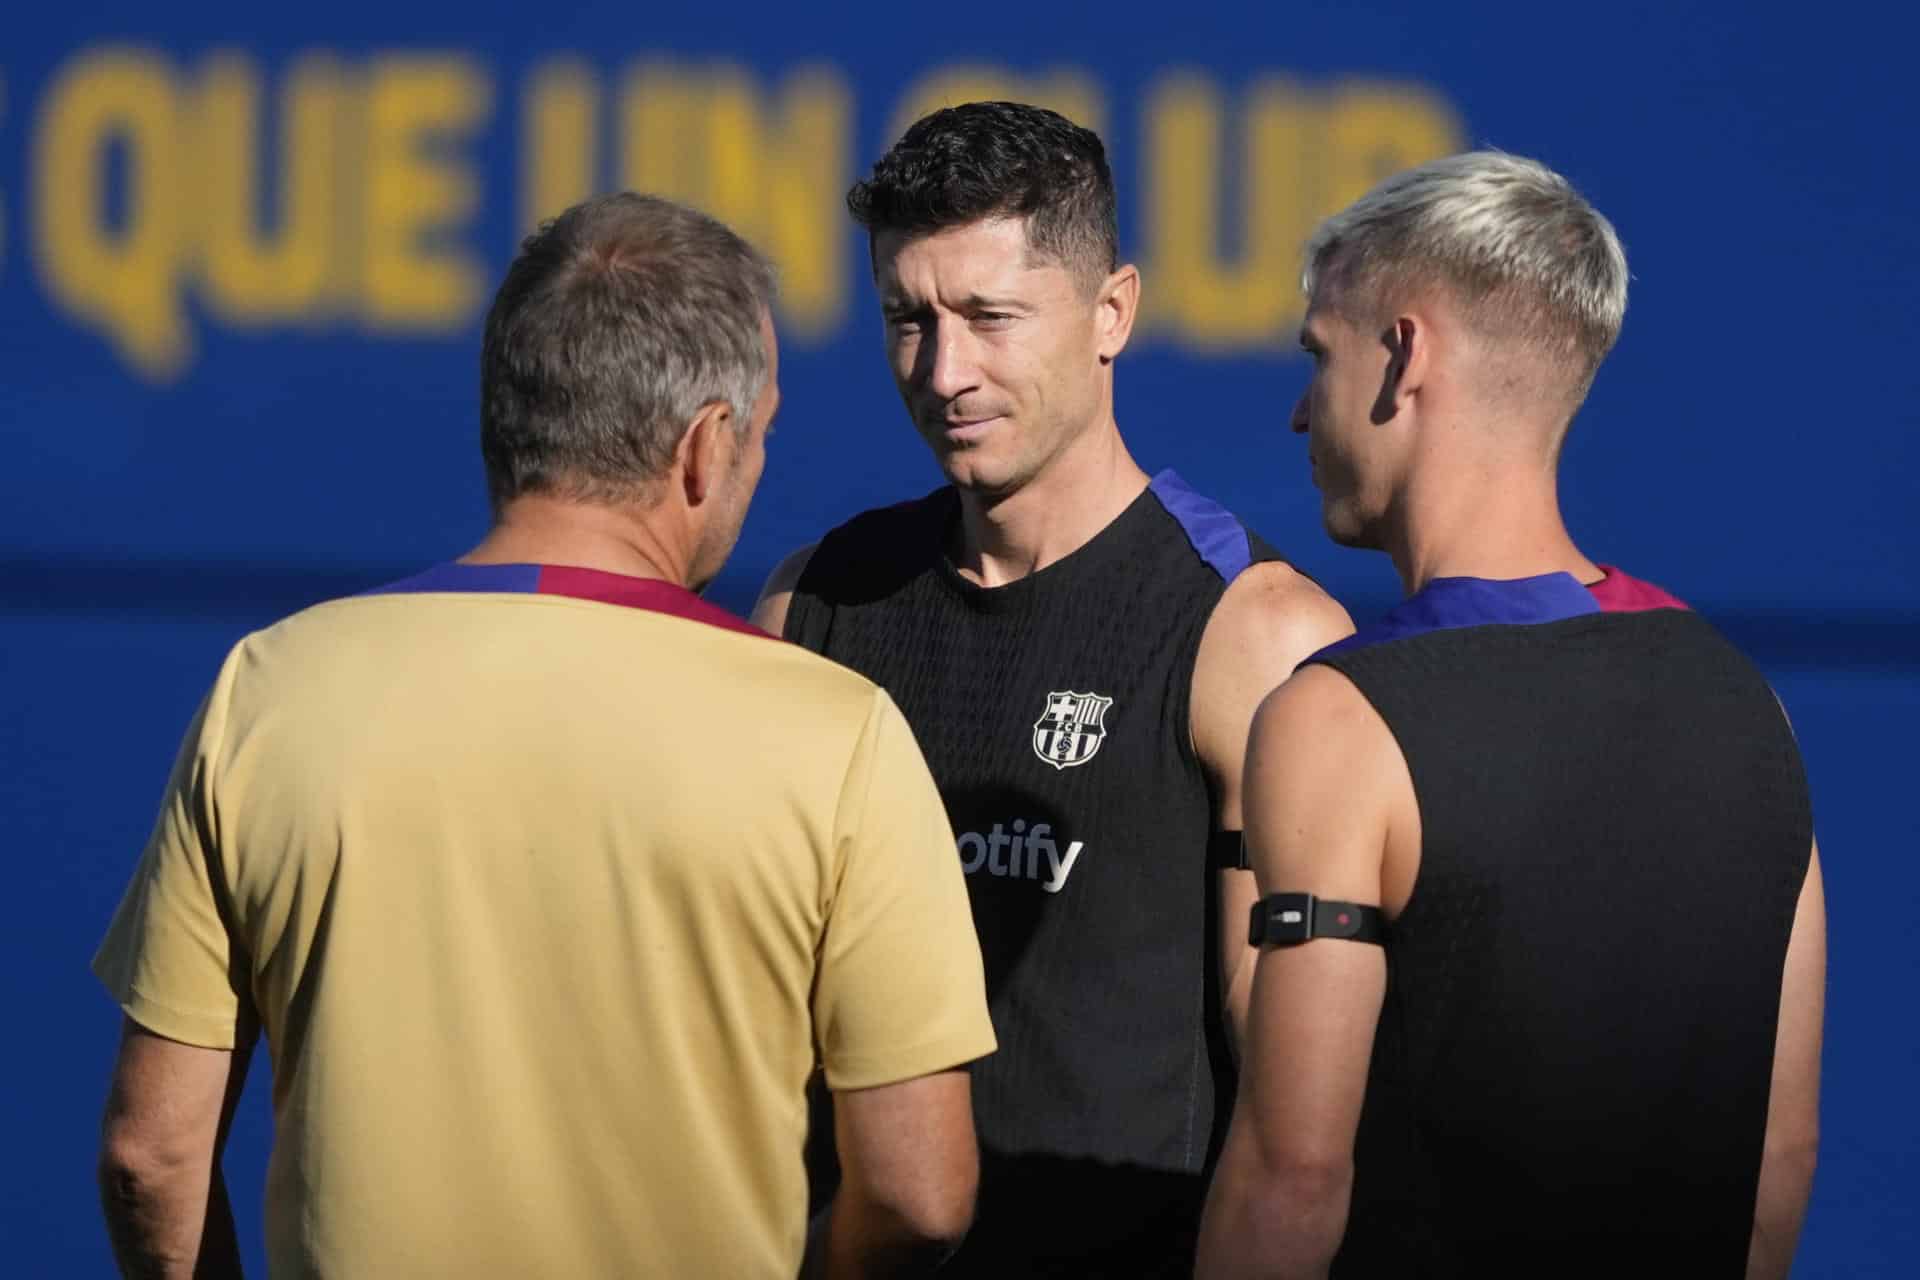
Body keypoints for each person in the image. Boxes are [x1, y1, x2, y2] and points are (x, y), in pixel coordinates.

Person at [92, 192, 996, 1280]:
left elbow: (152, 1153)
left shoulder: (270, 690)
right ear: (706, 448)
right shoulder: (837, 734)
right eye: (758, 436)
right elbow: (919, 1191)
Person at [1196, 151, 1824, 1278]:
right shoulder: (1751, 705)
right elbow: (1778, 1160)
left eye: (1316, 355)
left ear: (1403, 353)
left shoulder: (1337, 720)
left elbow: (1293, 1178)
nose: (1299, 412)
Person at [752, 102, 1353, 1275]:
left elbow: (1296, 1113)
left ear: (1111, 311)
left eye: (990, 316)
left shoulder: (1253, 633)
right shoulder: (812, 603)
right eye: (907, 320)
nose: (945, 371)